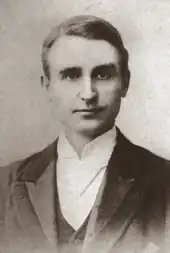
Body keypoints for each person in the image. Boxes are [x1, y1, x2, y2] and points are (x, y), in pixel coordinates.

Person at [1, 15, 170, 253]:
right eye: (71, 75)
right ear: (47, 86)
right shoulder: (5, 184)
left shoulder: (164, 181)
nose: (88, 93)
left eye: (102, 75)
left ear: (125, 83)